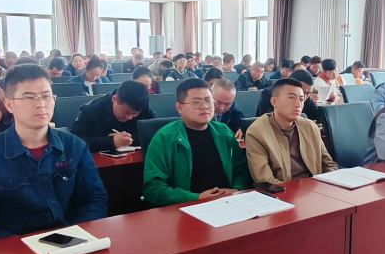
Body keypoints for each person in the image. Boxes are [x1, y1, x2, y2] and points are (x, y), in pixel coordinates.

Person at [0, 64, 108, 247]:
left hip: (70, 245)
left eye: (46, 96)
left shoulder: (75, 147)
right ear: (9, 104)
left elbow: (95, 199)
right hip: (13, 253)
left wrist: (73, 237)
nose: (40, 104)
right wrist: (22, 246)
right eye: (29, 97)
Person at [142, 78, 251, 207]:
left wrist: (237, 189)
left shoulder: (223, 132)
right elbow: (153, 188)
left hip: (228, 203)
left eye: (208, 101)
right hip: (185, 208)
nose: (205, 107)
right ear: (180, 108)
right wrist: (197, 198)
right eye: (196, 103)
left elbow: (242, 169)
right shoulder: (164, 138)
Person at [246, 78, 338, 184]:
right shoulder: (257, 132)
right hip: (284, 191)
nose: (298, 104)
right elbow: (265, 180)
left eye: (301, 99)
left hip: (316, 187)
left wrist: (329, 184)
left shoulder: (309, 126)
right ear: (274, 102)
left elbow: (328, 163)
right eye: (291, 98)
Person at [70, 80, 155, 152]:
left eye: (134, 114)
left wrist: (127, 139)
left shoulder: (143, 107)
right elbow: (74, 141)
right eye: (126, 112)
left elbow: (155, 132)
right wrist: (111, 141)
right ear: (114, 99)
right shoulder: (92, 110)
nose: (129, 117)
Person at [256, 70, 323, 122]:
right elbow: (269, 119)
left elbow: (319, 115)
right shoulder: (269, 94)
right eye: (303, 91)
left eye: (308, 93)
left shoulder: (305, 97)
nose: (304, 97)